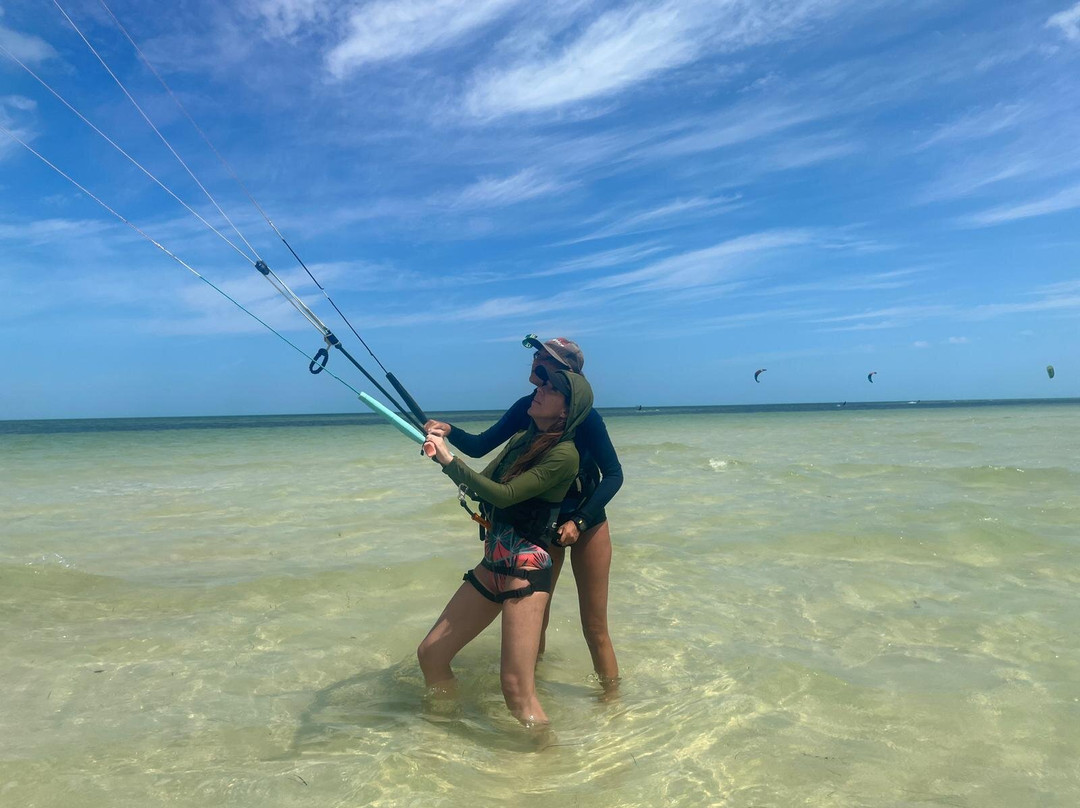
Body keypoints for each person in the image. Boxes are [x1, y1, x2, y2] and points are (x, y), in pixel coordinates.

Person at [423, 336, 622, 689]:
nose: (536, 361)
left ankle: (611, 702)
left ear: (567, 373)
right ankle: (535, 685)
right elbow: (483, 444)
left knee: (594, 625)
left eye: (546, 359)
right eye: (537, 355)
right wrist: (449, 432)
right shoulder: (530, 405)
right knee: (537, 616)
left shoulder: (585, 417)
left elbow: (614, 476)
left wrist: (581, 520)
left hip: (587, 521)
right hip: (544, 526)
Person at [417, 367, 594, 726]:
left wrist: (448, 459)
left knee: (516, 690)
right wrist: (442, 448)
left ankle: (547, 762)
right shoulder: (523, 440)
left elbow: (506, 495)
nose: (539, 390)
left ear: (566, 409)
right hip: (493, 563)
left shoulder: (566, 455)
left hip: (526, 574)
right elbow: (482, 483)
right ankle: (443, 731)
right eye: (541, 384)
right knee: (431, 655)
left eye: (551, 389)